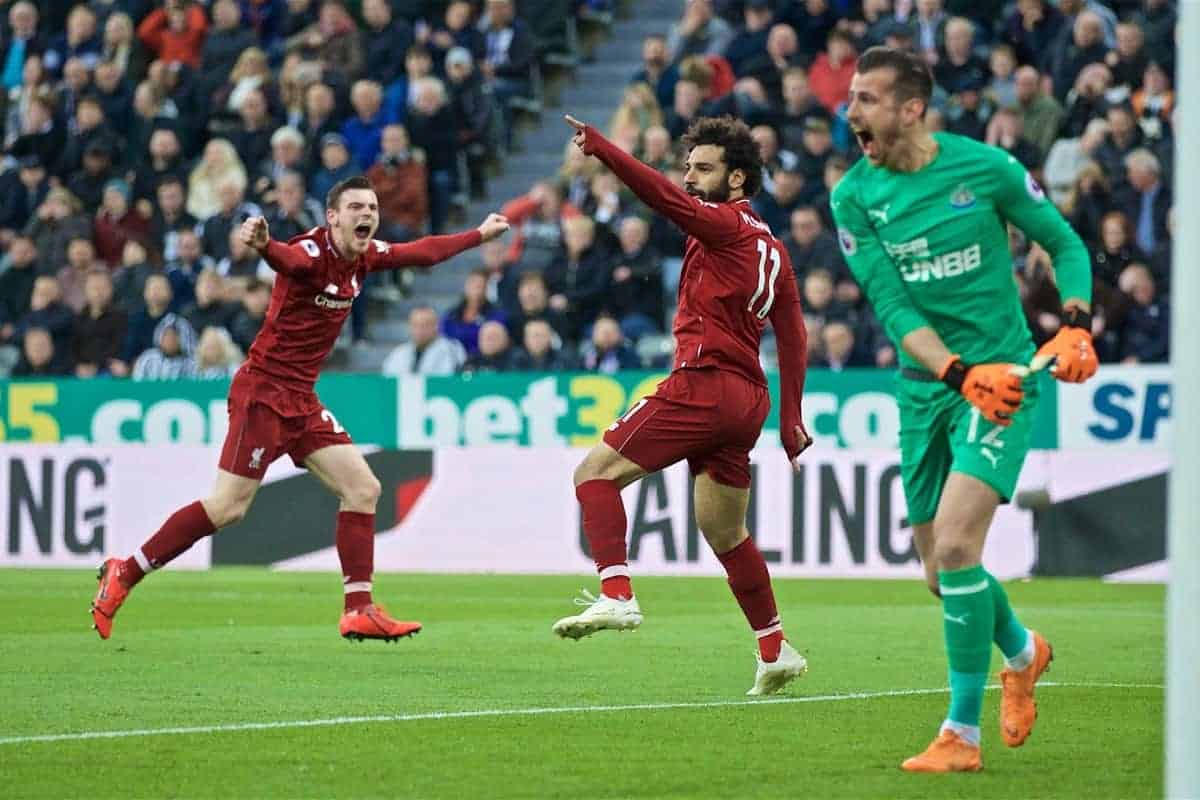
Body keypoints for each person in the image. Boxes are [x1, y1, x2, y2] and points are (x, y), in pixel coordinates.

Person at [90, 174, 510, 643]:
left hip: (301, 400)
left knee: (363, 488)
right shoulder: (311, 255)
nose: (367, 215)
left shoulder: (364, 258)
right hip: (263, 394)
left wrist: (479, 235)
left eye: (371, 208)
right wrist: (266, 246)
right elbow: (287, 258)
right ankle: (125, 571)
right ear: (332, 217)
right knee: (229, 508)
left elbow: (423, 251)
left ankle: (359, 609)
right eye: (356, 208)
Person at [831, 46, 1098, 773]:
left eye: (866, 99)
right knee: (937, 570)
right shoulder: (853, 195)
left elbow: (1063, 243)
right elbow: (890, 303)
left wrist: (1075, 321)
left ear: (911, 108)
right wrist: (954, 372)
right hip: (929, 389)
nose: (850, 111)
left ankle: (961, 734)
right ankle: (1023, 651)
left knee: (954, 547)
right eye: (851, 98)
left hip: (1006, 381)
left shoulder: (987, 170)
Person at [556, 113, 812, 695]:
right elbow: (793, 335)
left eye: (704, 169)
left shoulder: (727, 226)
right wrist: (791, 418)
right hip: (748, 399)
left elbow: (665, 199)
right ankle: (775, 648)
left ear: (739, 181)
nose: (690, 179)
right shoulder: (772, 247)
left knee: (592, 474)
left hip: (705, 381)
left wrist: (605, 151)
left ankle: (617, 593)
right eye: (688, 167)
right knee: (725, 532)